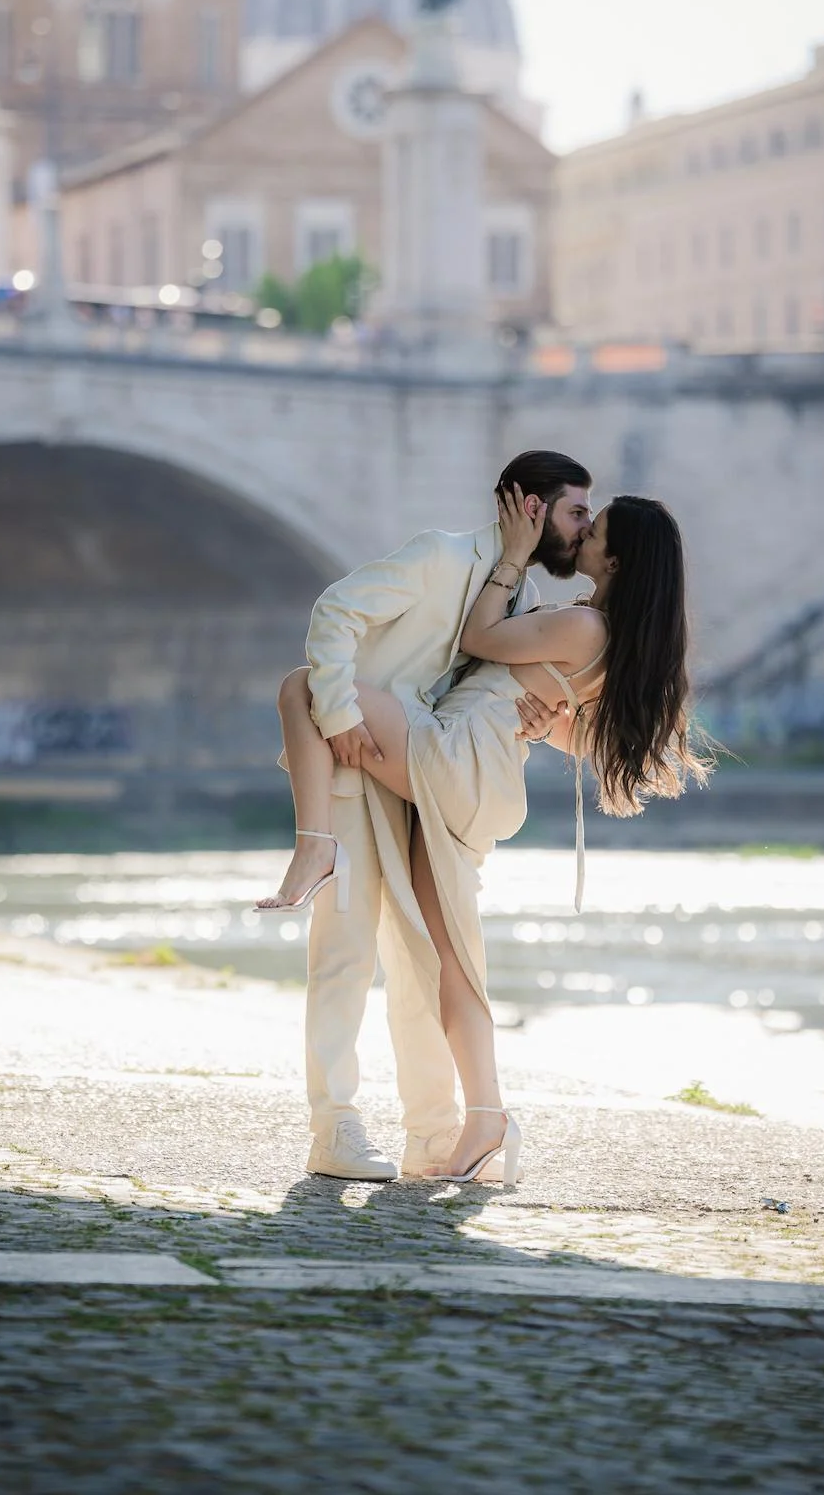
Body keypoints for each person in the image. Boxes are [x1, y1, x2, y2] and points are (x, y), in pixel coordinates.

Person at [264, 482, 710, 1184]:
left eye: (595, 530)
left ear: (617, 561)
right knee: (448, 960)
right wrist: (534, 717)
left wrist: (511, 557)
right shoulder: (595, 630)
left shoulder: (584, 628)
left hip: (456, 762)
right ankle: (480, 1120)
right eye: (579, 518)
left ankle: (314, 846)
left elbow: (477, 639)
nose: (585, 532)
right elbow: (574, 731)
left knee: (306, 688)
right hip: (471, 766)